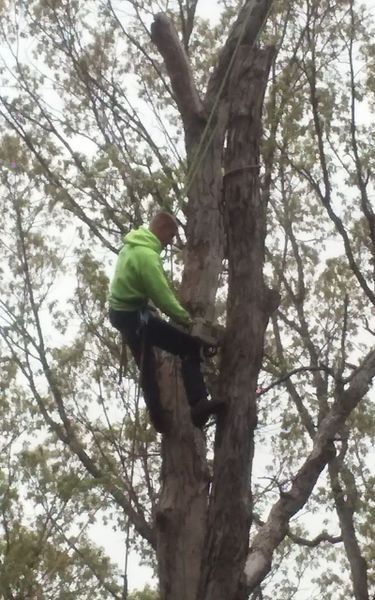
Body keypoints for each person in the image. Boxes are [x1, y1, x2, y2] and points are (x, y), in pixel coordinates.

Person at [108, 212, 223, 433]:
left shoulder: (132, 243)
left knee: (147, 366)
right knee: (188, 347)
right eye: (170, 236)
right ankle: (198, 405)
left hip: (123, 312)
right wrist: (187, 321)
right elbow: (163, 297)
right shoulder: (147, 257)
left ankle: (158, 418)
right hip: (133, 317)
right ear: (160, 229)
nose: (170, 243)